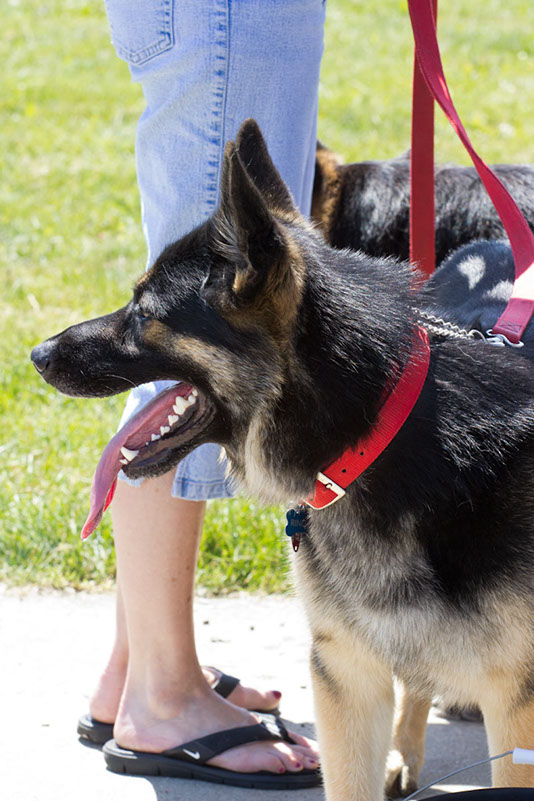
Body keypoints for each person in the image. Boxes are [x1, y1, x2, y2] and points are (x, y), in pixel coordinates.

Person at [81, 0, 326, 787]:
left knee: (190, 332)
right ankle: (164, 695)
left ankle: (138, 668)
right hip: (231, 15)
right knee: (194, 343)